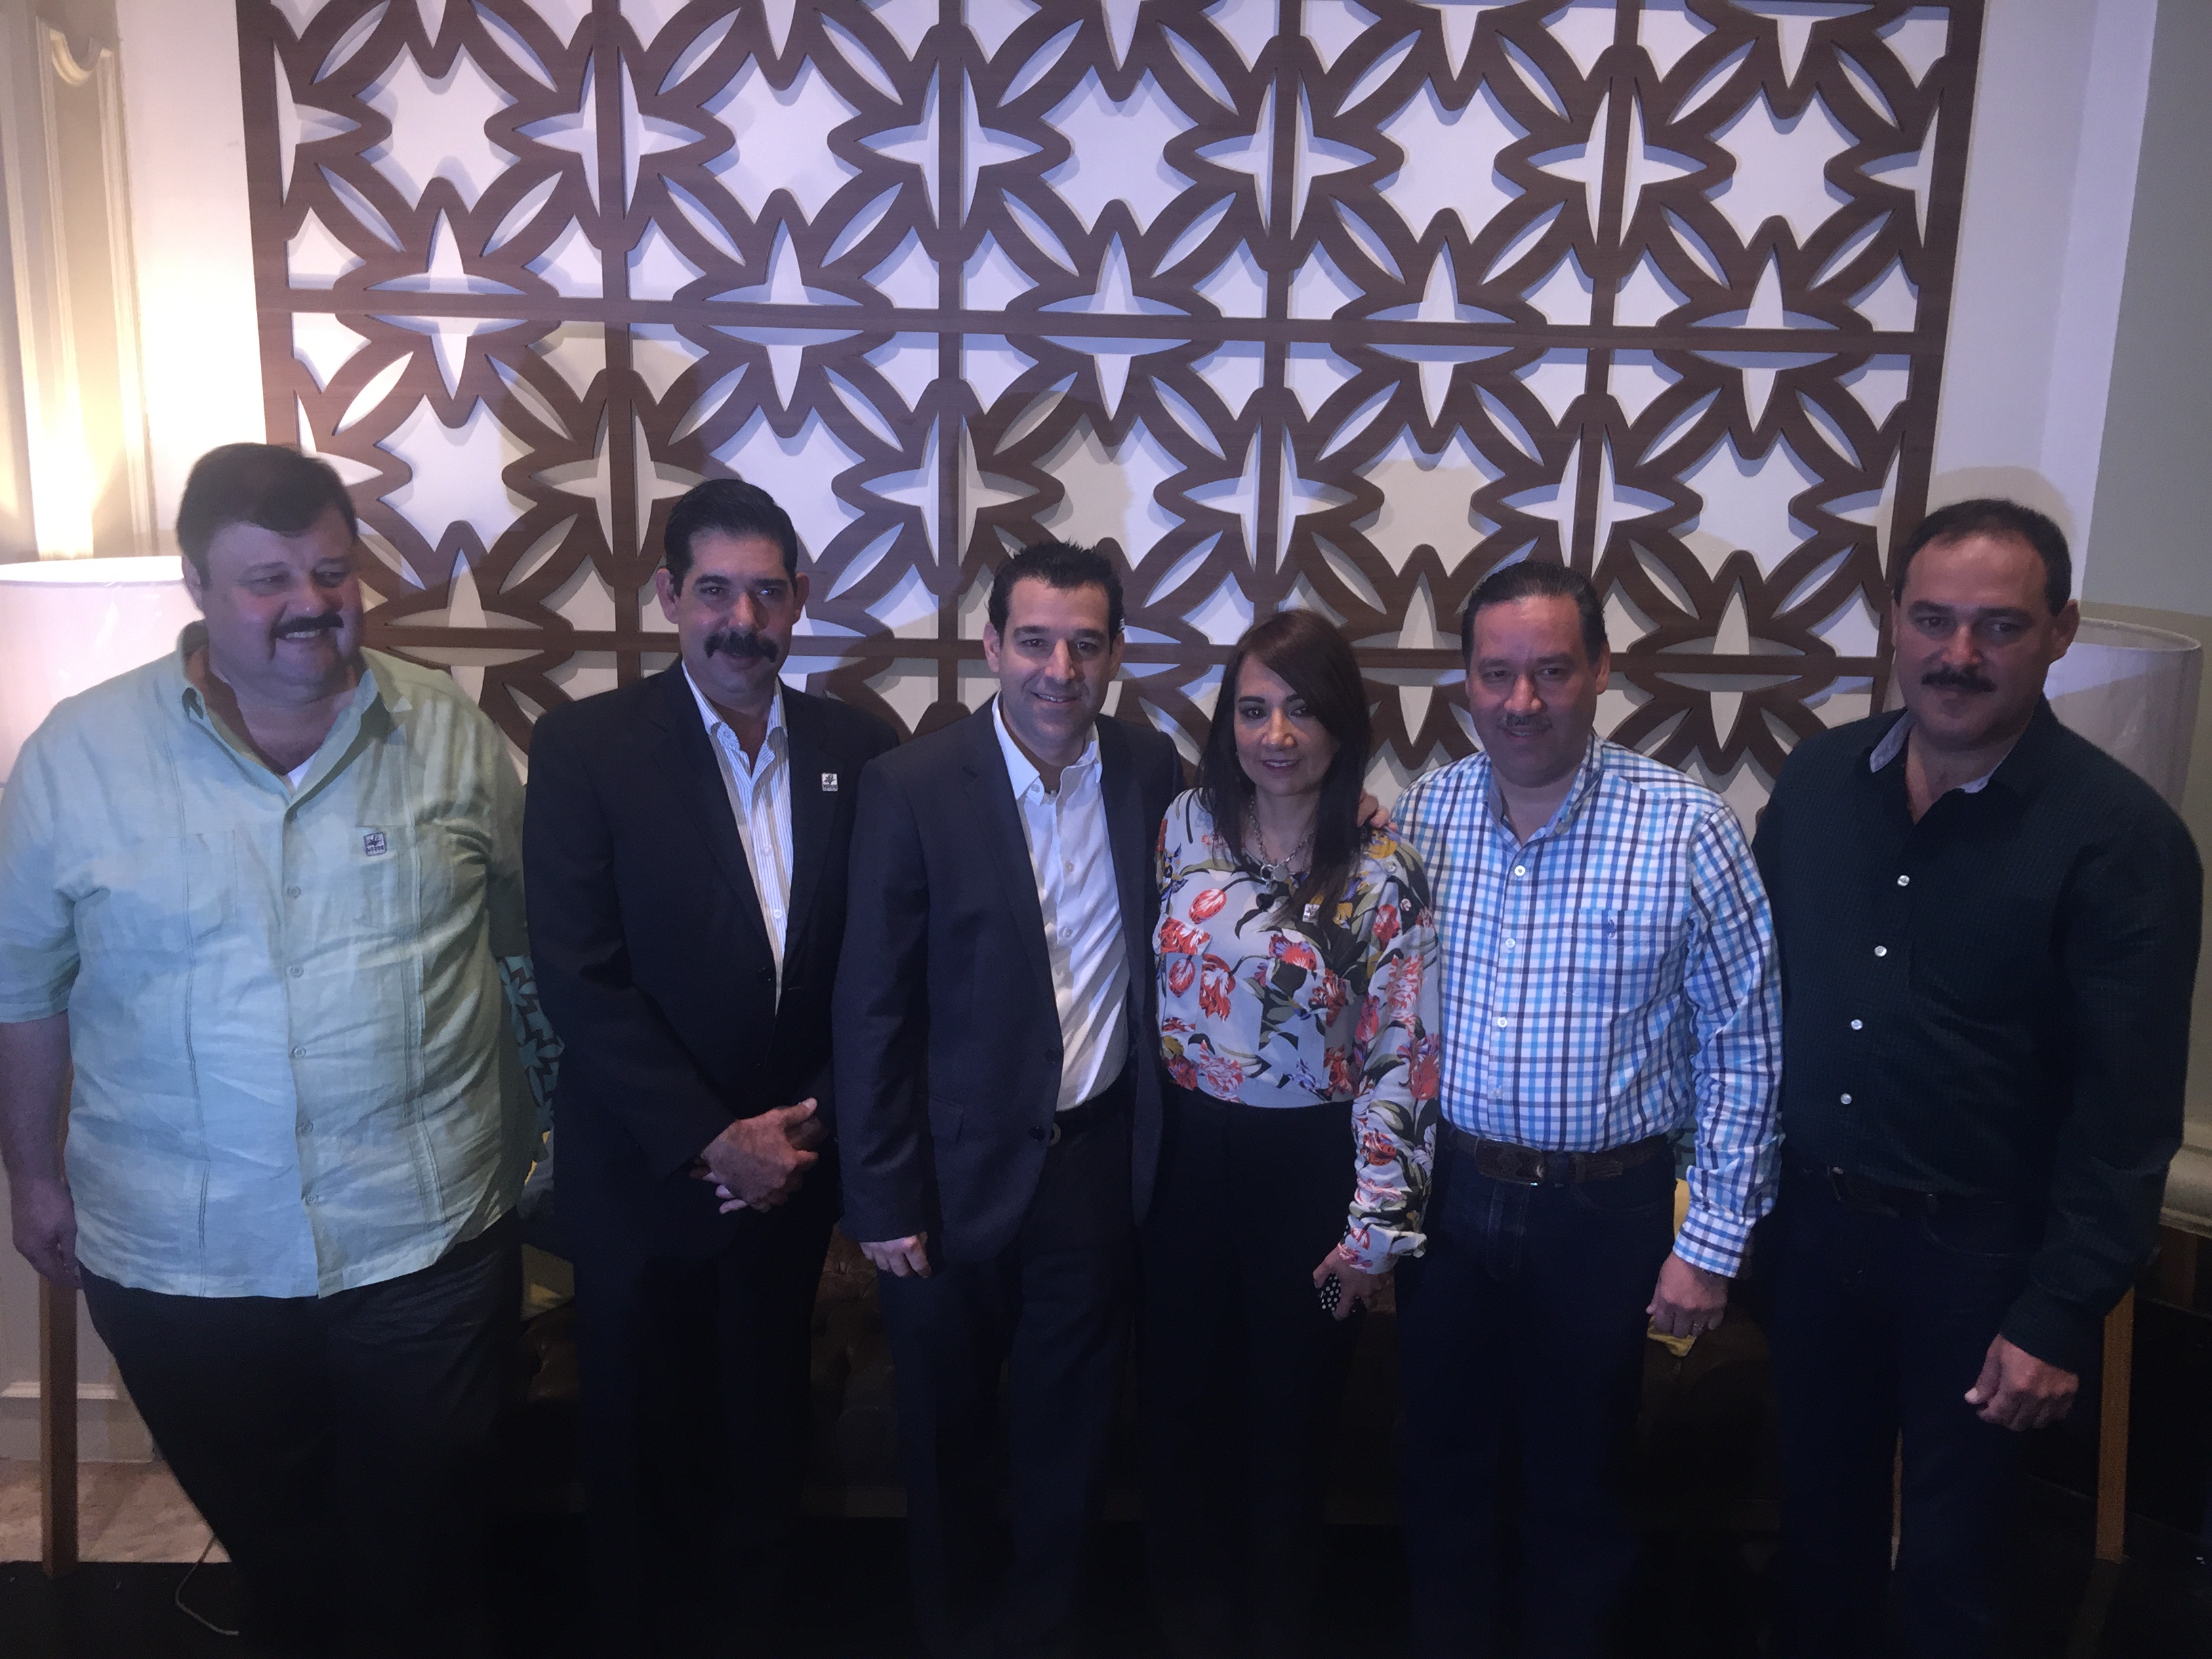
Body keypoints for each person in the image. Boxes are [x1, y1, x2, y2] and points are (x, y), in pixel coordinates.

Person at [0, 443, 535, 1656]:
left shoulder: (449, 733)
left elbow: (526, 947)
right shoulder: (76, 757)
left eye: (332, 571)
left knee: (433, 1546)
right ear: (196, 585)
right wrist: (31, 1175)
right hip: (185, 1261)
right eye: (268, 579)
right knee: (282, 1551)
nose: (311, 602)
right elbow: (23, 990)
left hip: (426, 1239)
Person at [1753, 499, 2199, 1658]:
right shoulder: (1817, 781)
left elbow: (2127, 1114)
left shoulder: (2124, 841)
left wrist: (2060, 1313)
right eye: (1933, 619)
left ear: (2060, 632)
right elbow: (1752, 1001)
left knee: (1960, 1569)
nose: (1958, 654)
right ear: (1893, 621)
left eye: (1998, 625)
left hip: (1983, 1259)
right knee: (1815, 1537)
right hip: (1813, 1233)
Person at [523, 478, 897, 1654]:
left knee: (766, 1442)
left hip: (792, 1174)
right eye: (716, 591)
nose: (744, 621)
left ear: (802, 599)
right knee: (639, 1454)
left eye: (768, 593)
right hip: (644, 1176)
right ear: (669, 596)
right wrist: (710, 1138)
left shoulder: (860, 748)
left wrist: (802, 1128)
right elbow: (578, 972)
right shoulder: (586, 747)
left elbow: (882, 969)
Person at [1391, 559, 1782, 1658]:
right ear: (1465, 680)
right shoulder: (1427, 812)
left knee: (1583, 1488)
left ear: (1602, 669)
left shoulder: (1686, 827)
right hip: (1452, 1198)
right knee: (1441, 1472)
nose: (1522, 701)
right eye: (1497, 673)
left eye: (1552, 671)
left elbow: (1747, 1046)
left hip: (1603, 1212)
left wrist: (1709, 1245)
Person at [836, 539, 1183, 1658]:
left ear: (1116, 653)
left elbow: (1252, 850)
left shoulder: (1151, 769)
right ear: (992, 646)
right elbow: (872, 1005)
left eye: (1085, 645)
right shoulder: (912, 785)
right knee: (945, 1441)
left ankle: (1043, 1633)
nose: (1059, 671)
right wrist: (881, 1195)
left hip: (1095, 1165)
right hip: (945, 1177)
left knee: (1068, 1442)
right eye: (1034, 642)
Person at [1141, 609, 1439, 1658]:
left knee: (1297, 1413)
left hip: (1314, 1186)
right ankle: (1187, 1627)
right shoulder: (1184, 826)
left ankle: (1277, 1628)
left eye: (1301, 710)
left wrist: (1374, 1234)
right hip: (1180, 1174)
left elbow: (1404, 1054)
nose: (1275, 735)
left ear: (1342, 724)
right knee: (1179, 1409)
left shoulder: (1385, 866)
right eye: (1253, 709)